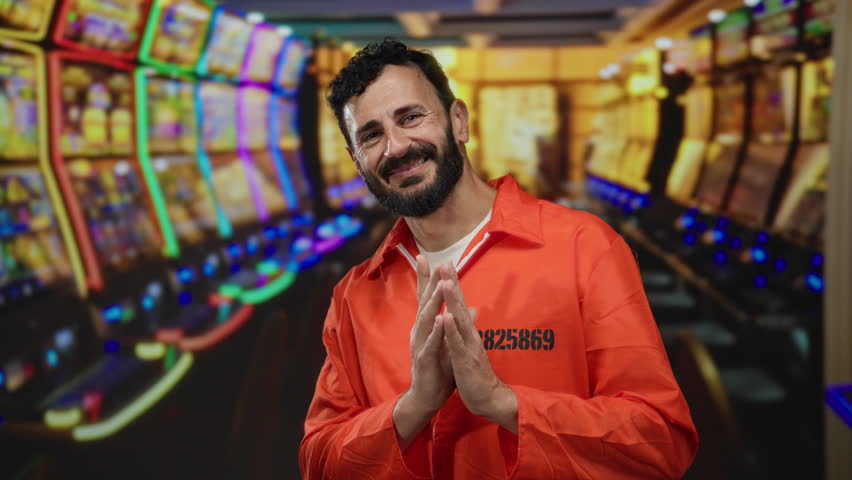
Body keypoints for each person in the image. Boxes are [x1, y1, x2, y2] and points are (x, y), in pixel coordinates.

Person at [299, 39, 698, 479]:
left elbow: (659, 443)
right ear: (357, 161)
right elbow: (319, 463)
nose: (395, 146)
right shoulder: (354, 296)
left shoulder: (584, 247)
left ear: (459, 121)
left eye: (411, 117)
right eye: (371, 135)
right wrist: (413, 407)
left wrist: (500, 402)